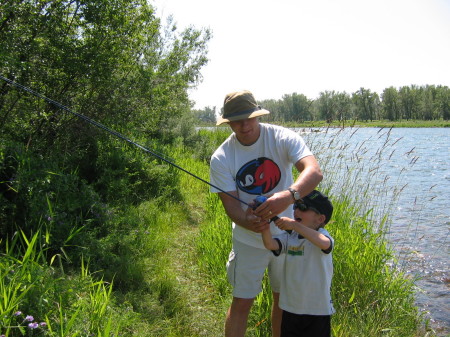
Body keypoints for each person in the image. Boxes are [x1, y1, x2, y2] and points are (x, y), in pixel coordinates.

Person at [209, 90, 323, 337]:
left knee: (283, 302)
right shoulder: (221, 158)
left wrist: (288, 196)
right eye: (237, 120)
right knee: (242, 302)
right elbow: (232, 209)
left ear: (257, 115)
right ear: (228, 122)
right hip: (248, 241)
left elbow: (314, 172)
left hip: (286, 237)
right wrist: (248, 221)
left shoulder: (281, 137)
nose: (244, 124)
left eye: (249, 117)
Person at [261, 190, 335, 337]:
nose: (296, 211)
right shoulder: (290, 238)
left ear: (320, 219)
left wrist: (294, 225)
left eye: (303, 207)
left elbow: (325, 244)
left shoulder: (323, 236)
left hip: (318, 310)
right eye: (296, 206)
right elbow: (271, 244)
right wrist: (264, 226)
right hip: (290, 309)